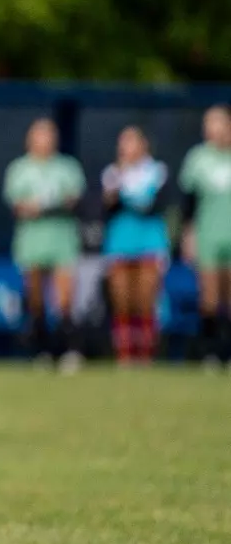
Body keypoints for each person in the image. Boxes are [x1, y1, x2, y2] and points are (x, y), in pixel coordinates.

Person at [2, 119, 86, 365]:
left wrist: (45, 206)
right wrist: (35, 207)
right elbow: (18, 205)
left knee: (63, 298)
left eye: (49, 135)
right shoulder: (19, 169)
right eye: (39, 136)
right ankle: (42, 350)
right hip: (32, 240)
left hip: (62, 239)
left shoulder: (67, 167)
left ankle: (67, 350)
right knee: (36, 297)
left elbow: (73, 199)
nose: (44, 141)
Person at [101, 125, 171, 365]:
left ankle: (146, 354)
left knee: (145, 300)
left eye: (131, 142)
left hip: (150, 242)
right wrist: (119, 190)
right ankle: (125, 354)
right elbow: (108, 208)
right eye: (123, 142)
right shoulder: (112, 173)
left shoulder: (157, 172)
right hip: (120, 242)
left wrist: (126, 197)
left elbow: (153, 207)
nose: (126, 148)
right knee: (122, 300)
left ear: (143, 145)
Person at [179, 105, 231, 369]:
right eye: (208, 123)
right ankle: (211, 353)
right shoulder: (198, 158)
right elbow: (189, 203)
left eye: (218, 122)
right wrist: (189, 235)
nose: (212, 128)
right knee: (209, 296)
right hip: (210, 234)